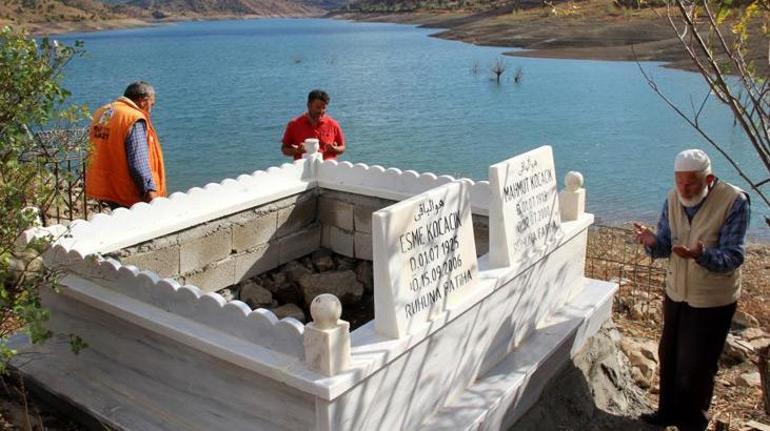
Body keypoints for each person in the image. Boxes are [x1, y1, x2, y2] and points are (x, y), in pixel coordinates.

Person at [633, 149, 750, 431]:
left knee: (697, 367)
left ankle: (693, 423)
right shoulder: (673, 198)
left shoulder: (734, 201)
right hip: (676, 292)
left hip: (712, 300)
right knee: (670, 356)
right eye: (679, 182)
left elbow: (734, 257)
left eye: (691, 184)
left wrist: (701, 255)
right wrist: (650, 242)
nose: (684, 189)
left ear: (708, 179)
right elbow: (665, 246)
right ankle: (667, 414)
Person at [86, 81, 166, 209]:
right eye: (152, 104)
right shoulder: (133, 118)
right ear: (144, 101)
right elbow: (138, 163)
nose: (151, 109)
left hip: (103, 187)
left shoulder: (102, 111)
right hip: (127, 193)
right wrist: (151, 195)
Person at [281, 89, 345, 160]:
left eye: (324, 108)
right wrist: (297, 151)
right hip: (304, 169)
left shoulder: (333, 124)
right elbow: (284, 149)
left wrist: (334, 149)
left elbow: (342, 147)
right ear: (309, 105)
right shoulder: (294, 124)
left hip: (328, 169)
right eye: (318, 107)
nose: (321, 111)